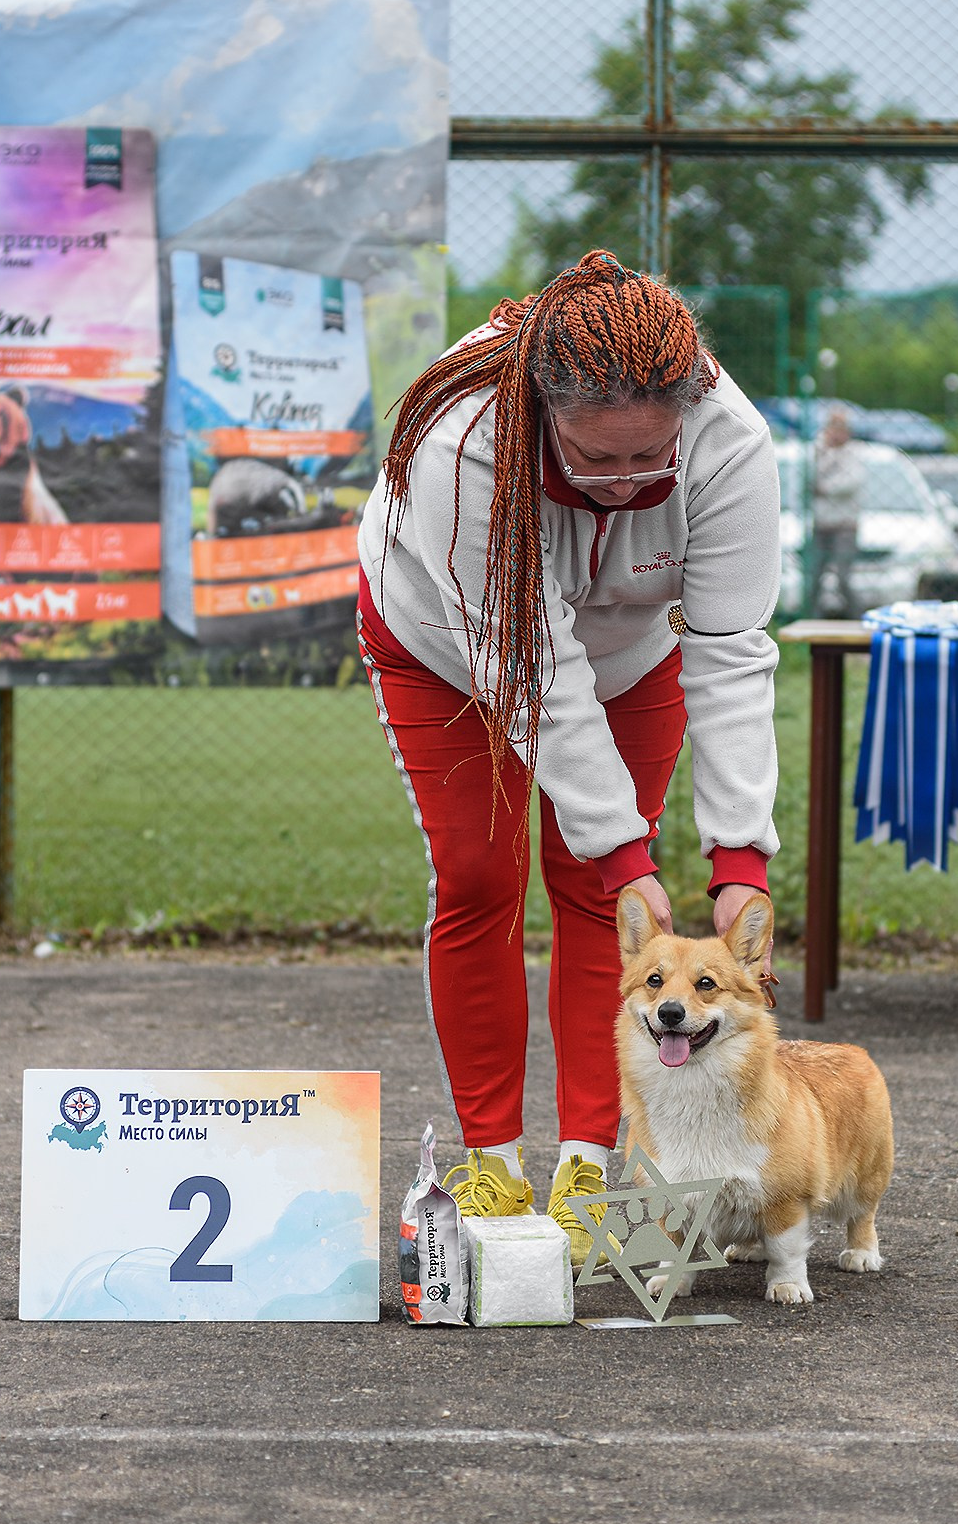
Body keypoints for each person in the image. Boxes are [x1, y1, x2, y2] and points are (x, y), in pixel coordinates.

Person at [355, 249, 781, 1265]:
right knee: (476, 875)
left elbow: (728, 653)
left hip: (633, 650)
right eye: (596, 460)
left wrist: (739, 860)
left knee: (604, 903)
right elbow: (533, 675)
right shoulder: (461, 445)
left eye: (648, 461)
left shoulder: (733, 445)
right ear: (543, 411)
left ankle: (591, 1160)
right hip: (450, 648)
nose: (625, 483)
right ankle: (490, 1157)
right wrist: (626, 848)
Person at [810, 406, 866, 618]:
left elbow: (850, 483)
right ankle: (812, 620)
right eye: (833, 426)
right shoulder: (820, 451)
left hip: (844, 524)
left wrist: (825, 489)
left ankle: (856, 618)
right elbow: (811, 476)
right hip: (822, 523)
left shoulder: (854, 452)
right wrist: (824, 447)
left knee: (843, 577)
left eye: (841, 426)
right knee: (814, 577)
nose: (836, 431)